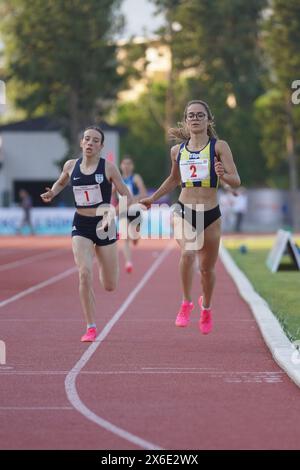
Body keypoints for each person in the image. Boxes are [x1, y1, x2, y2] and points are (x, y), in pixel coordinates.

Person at [140, 100, 240, 334]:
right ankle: (186, 303)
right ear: (186, 121)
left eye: (200, 115)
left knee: (207, 270)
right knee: (187, 252)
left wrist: (223, 175)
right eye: (190, 115)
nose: (195, 118)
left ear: (208, 120)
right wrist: (152, 198)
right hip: (184, 209)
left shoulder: (219, 147)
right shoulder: (177, 150)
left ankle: (206, 308)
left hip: (211, 214)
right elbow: (174, 180)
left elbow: (236, 180)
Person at [41, 126, 132, 342]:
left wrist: (113, 213)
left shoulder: (108, 168)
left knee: (110, 285)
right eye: (87, 139)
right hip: (81, 223)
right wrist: (53, 191)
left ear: (101, 146)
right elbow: (62, 180)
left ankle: (103, 260)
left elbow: (126, 196)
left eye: (95, 140)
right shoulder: (71, 166)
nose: (90, 143)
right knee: (83, 272)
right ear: (82, 143)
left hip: (105, 224)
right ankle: (90, 326)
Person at [118, 156, 147, 273]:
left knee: (134, 237)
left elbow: (144, 193)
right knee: (125, 237)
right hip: (123, 211)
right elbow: (111, 194)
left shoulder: (135, 178)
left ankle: (136, 238)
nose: (126, 166)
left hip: (135, 210)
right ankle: (128, 262)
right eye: (124, 164)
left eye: (129, 164)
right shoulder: (117, 179)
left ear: (132, 166)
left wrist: (131, 199)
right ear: (121, 166)